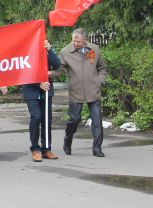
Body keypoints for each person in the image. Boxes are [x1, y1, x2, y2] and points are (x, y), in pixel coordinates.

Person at [60, 28, 107, 157]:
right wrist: (49, 74)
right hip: (76, 91)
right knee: (74, 119)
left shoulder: (94, 49)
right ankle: (67, 141)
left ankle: (97, 148)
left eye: (78, 41)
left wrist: (100, 80)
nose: (75, 43)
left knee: (97, 120)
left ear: (84, 40)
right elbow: (59, 69)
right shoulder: (65, 52)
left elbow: (101, 67)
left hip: (93, 89)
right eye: (73, 40)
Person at [21, 39, 62, 161]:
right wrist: (38, 83)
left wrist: (50, 50)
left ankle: (46, 149)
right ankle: (35, 148)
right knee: (36, 116)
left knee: (46, 119)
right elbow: (24, 71)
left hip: (46, 90)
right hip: (31, 90)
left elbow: (57, 64)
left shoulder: (46, 50)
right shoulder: (25, 51)